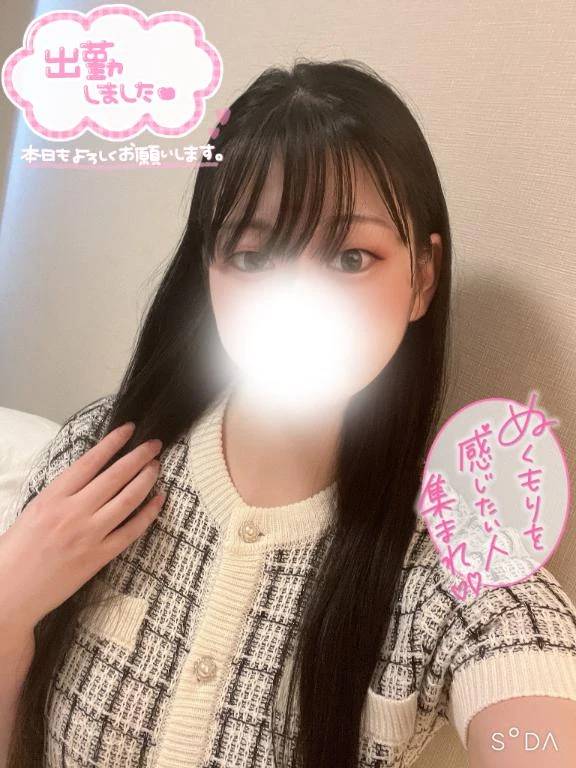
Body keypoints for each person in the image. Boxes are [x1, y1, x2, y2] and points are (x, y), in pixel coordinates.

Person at [1, 58, 576, 768]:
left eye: (350, 257)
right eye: (252, 256)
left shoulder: (451, 559)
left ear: (421, 279)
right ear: (208, 272)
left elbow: (531, 695)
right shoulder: (99, 459)